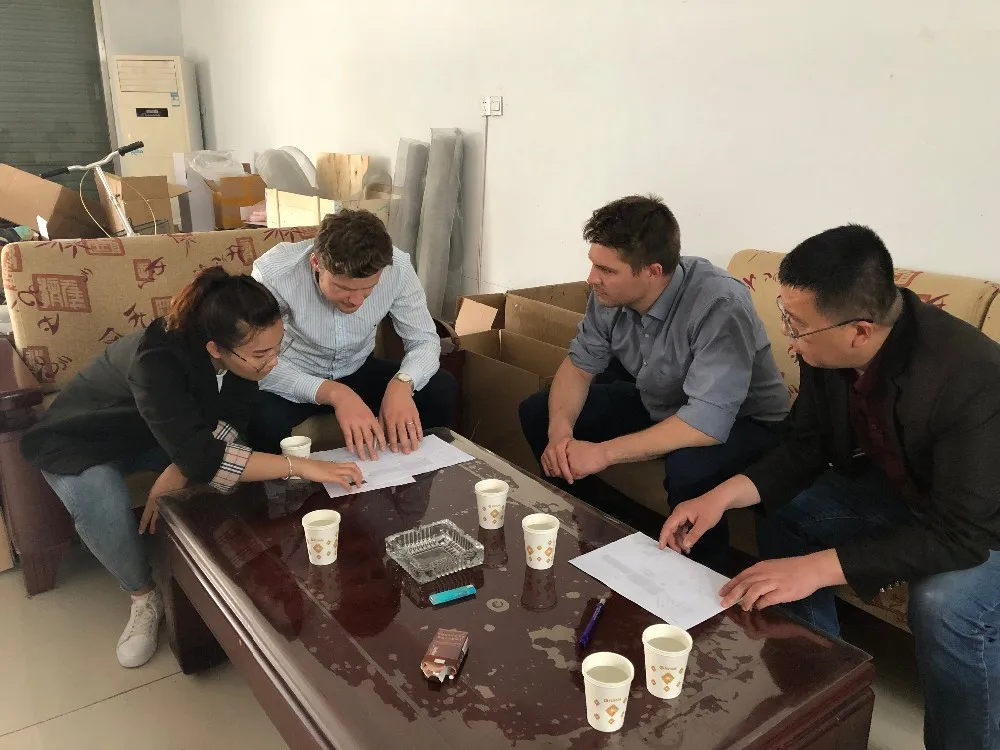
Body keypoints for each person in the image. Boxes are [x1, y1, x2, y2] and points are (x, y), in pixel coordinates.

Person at [659, 225, 1000, 750]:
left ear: (860, 330)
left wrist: (815, 568)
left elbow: (960, 534)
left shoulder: (971, 377)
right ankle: (819, 695)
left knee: (943, 605)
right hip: (909, 495)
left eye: (796, 325)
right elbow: (804, 448)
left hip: (982, 526)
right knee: (788, 512)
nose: (788, 338)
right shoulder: (827, 350)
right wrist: (719, 498)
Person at [21, 268, 362, 669]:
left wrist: (181, 467)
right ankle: (143, 595)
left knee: (225, 468)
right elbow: (204, 456)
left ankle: (226, 570)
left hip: (156, 434)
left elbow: (231, 420)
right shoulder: (156, 360)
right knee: (101, 498)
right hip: (83, 440)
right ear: (215, 348)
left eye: (277, 348)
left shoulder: (238, 351)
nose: (272, 363)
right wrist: (300, 466)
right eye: (261, 355)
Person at [519, 195, 789, 569]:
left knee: (690, 468)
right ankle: (595, 532)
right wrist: (560, 436)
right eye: (593, 264)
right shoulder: (608, 294)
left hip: (745, 423)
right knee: (538, 411)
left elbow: (705, 424)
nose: (592, 278)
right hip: (663, 400)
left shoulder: (719, 303)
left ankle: (700, 575)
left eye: (606, 270)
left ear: (652, 271)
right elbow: (579, 367)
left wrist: (602, 453)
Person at [248, 209, 457, 460]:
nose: (357, 301)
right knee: (258, 417)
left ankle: (419, 470)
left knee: (440, 387)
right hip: (293, 372)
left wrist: (403, 383)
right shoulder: (275, 274)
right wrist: (336, 394)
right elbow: (254, 359)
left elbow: (424, 340)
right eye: (343, 287)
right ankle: (277, 484)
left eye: (369, 288)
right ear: (316, 263)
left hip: (356, 367)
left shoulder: (397, 268)